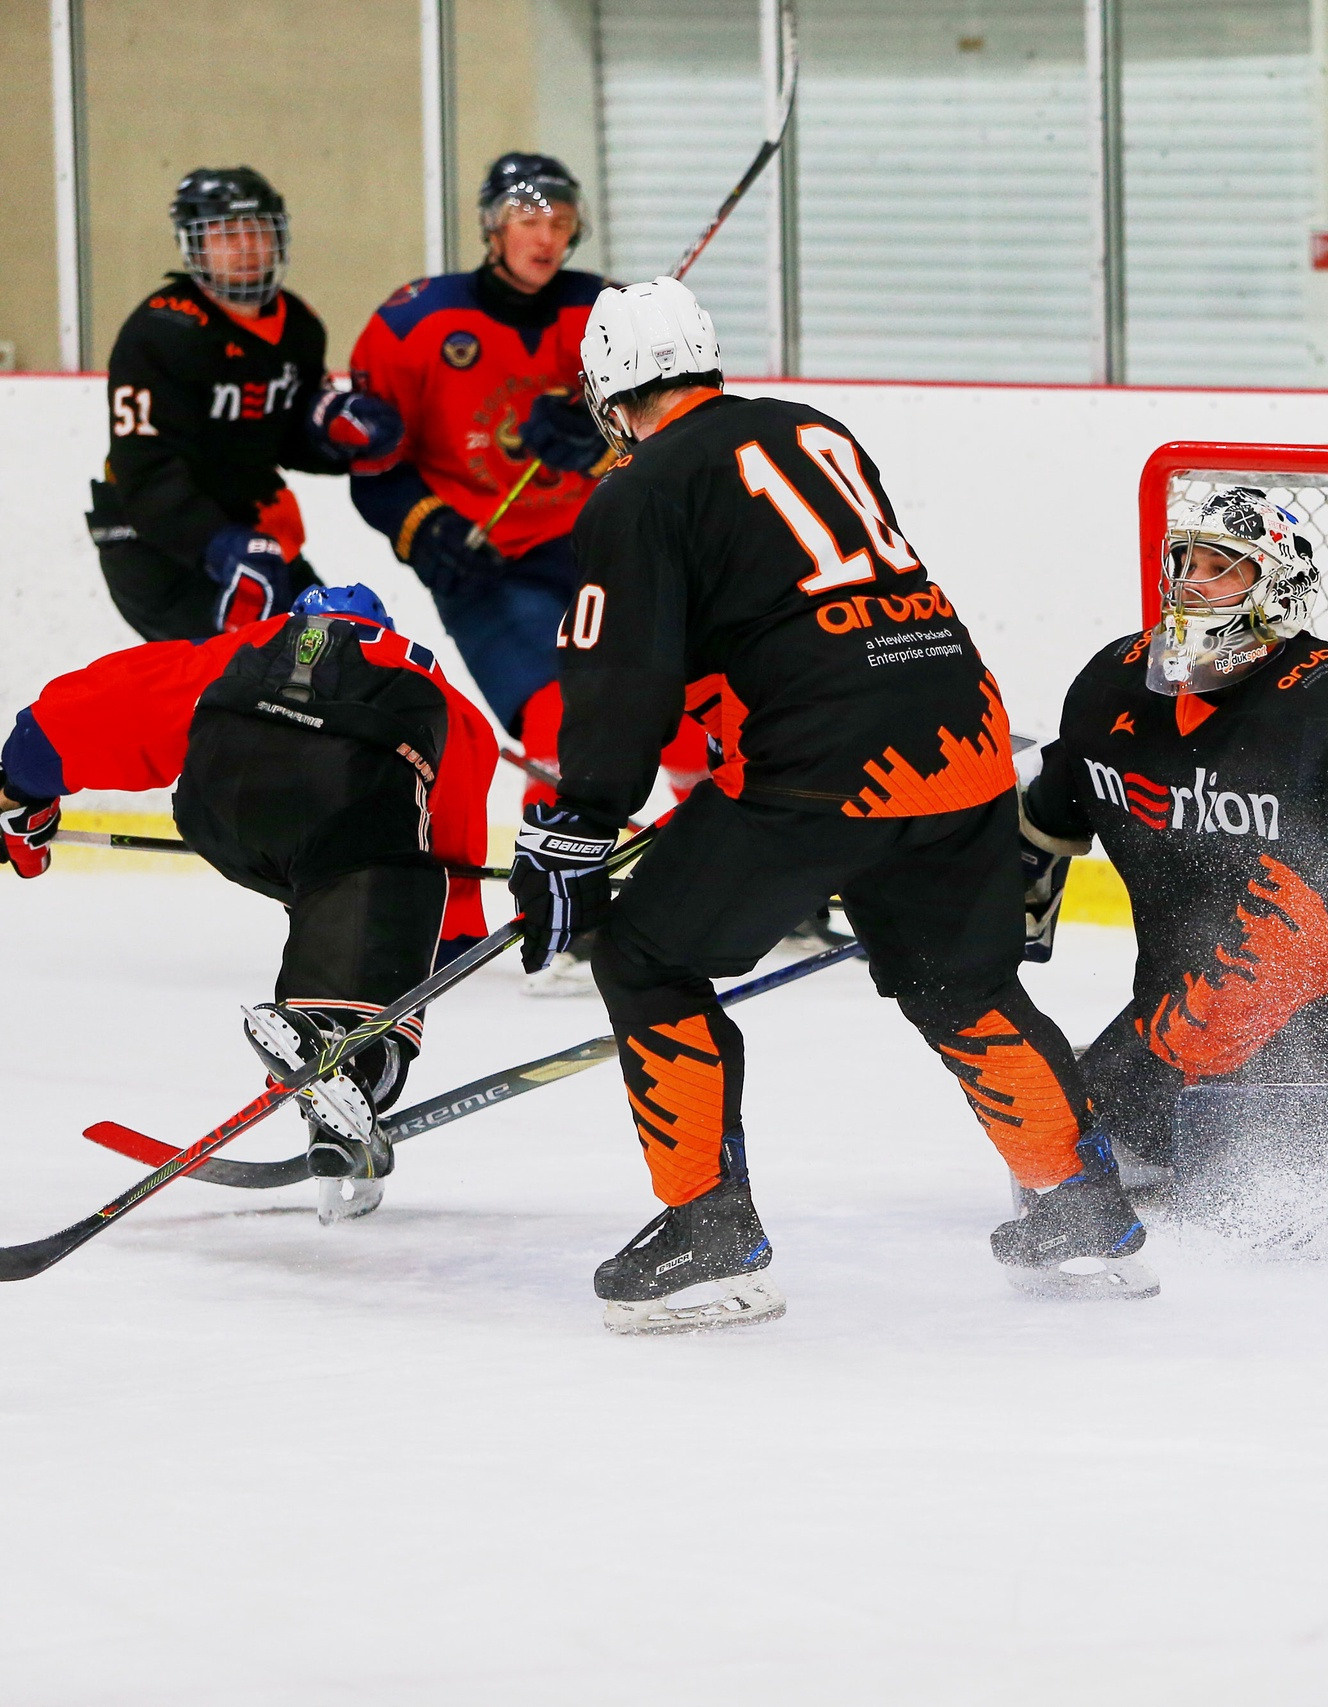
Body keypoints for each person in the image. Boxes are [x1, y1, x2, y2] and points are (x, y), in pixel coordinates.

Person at [513, 275, 1148, 1334]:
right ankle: (1082, 1217)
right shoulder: (815, 429)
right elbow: (813, 600)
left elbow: (623, 673)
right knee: (961, 982)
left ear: (611, 390)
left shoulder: (639, 486)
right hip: (966, 738)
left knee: (645, 956)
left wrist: (579, 817)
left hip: (826, 763)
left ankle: (708, 1236)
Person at [346, 152, 786, 994]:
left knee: (693, 712)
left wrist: (593, 434)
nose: (545, 236)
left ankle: (723, 848)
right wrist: (423, 525)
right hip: (484, 562)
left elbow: (669, 413)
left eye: (558, 219)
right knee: (558, 718)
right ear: (492, 227)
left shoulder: (604, 310)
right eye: (527, 219)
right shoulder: (412, 323)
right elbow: (373, 460)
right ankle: (570, 893)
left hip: (600, 540)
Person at [1016, 487, 1328, 1177]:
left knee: (1299, 1168)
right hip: (1183, 1012)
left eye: (1221, 565)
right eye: (1183, 560)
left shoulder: (1327, 696)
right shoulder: (1109, 686)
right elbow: (1046, 808)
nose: (1191, 582)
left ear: (1278, 588)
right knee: (1097, 1141)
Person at [0, 585, 498, 1220]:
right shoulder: (432, 685)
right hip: (344, 810)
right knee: (378, 878)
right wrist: (448, 944)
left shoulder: (246, 647)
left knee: (331, 875)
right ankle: (352, 1061)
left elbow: (99, 711)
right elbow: (450, 841)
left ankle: (325, 1057)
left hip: (220, 813)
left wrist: (21, 785)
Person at [87, 167, 404, 643]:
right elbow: (144, 469)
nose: (245, 249)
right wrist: (218, 542)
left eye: (256, 231)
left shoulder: (298, 324)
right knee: (238, 687)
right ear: (194, 246)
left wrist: (332, 430)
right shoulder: (161, 332)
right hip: (156, 546)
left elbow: (283, 438)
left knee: (340, 657)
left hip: (255, 534)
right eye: (225, 234)